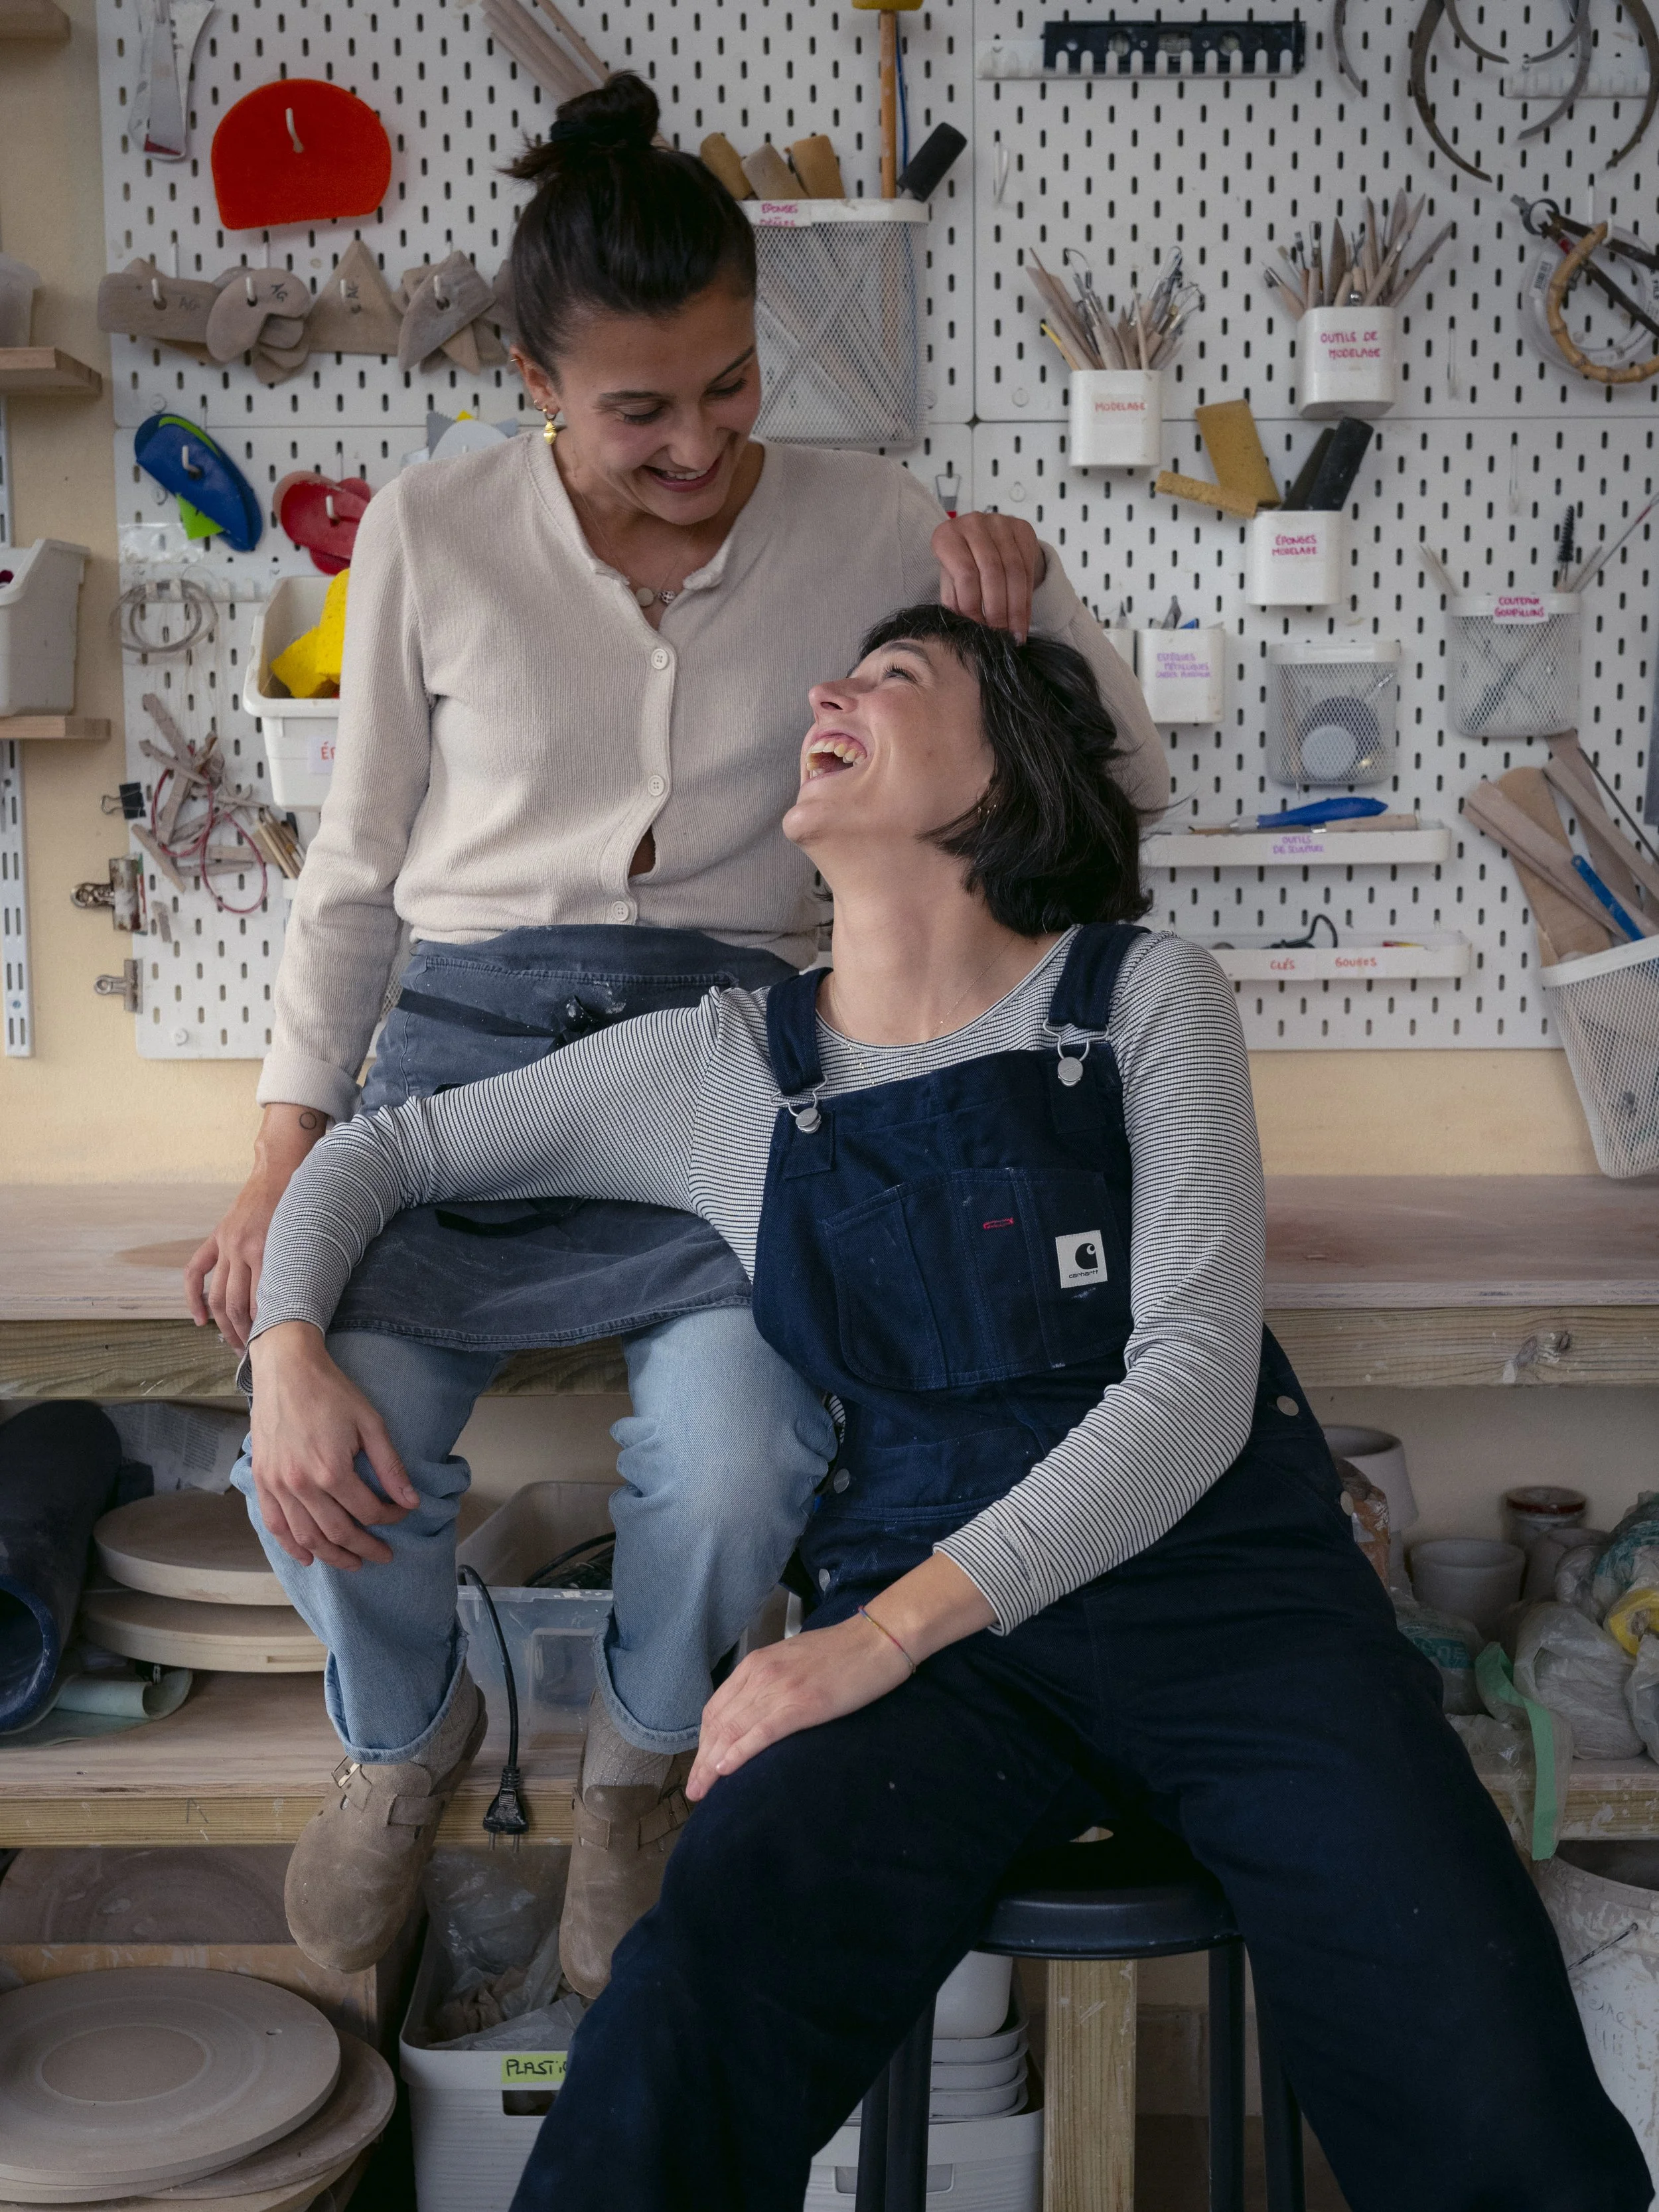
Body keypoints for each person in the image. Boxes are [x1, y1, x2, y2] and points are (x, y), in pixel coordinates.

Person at [247, 603, 1646, 2212]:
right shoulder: (720, 1072)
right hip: (947, 1661)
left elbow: (1187, 1390)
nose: (826, 691)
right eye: (834, 675)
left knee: (1476, 2063)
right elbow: (382, 1152)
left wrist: (870, 1640)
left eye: (895, 678)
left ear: (1002, 781)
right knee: (687, 2011)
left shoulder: (1136, 1000)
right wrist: (289, 1336)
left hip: (1229, 1608)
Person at [196, 72, 1165, 1991]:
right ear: (535, 380)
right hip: (461, 1069)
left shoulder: (874, 517)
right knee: (310, 1453)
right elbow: (358, 873)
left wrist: (1039, 603)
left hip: (739, 1063)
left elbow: (1115, 783)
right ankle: (404, 1749)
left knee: (734, 1457)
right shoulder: (430, 527)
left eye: (731, 385)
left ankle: (641, 1768)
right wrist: (278, 1152)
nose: (700, 442)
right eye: (641, 407)